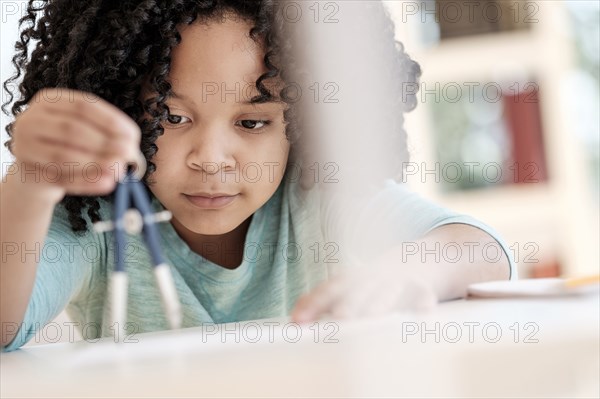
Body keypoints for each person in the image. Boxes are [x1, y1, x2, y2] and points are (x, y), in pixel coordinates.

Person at [0, 0, 514, 352]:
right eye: (172, 118)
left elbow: (482, 249)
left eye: (251, 122)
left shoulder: (318, 199)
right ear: (122, 104)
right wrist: (32, 179)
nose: (210, 158)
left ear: (304, 124)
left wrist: (409, 271)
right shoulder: (98, 216)